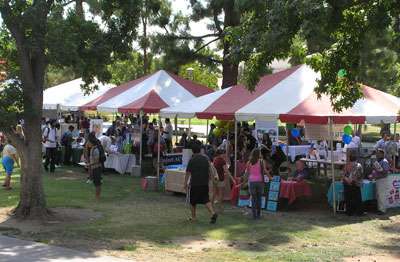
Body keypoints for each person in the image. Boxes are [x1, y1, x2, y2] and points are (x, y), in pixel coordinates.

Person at [184, 144, 218, 223]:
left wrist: (185, 183)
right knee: (206, 199)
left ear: (192, 151)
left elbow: (188, 173)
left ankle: (193, 217)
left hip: (194, 183)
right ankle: (212, 213)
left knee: (192, 201)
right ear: (200, 150)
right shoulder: (206, 158)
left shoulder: (192, 160)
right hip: (204, 182)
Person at [243, 148, 274, 219]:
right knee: (259, 198)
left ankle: (254, 215)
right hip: (260, 181)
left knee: (253, 199)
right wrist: (270, 178)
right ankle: (258, 213)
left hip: (252, 181)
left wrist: (244, 182)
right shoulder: (261, 161)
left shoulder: (249, 162)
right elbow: (265, 171)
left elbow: (247, 174)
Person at [211, 149, 235, 213]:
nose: (225, 154)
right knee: (220, 194)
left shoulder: (215, 159)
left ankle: (210, 207)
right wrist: (232, 178)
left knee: (213, 193)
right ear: (222, 154)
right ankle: (219, 208)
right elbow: (226, 171)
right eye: (224, 153)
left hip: (214, 178)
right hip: (221, 179)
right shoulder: (222, 161)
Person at [374, 148, 389, 215]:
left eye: (378, 153)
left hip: (382, 180)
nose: (376, 155)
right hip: (378, 179)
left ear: (382, 154)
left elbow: (385, 171)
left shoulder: (384, 161)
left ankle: (382, 210)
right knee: (378, 195)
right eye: (376, 153)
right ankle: (379, 208)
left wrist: (379, 170)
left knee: (381, 195)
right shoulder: (378, 161)